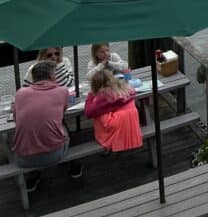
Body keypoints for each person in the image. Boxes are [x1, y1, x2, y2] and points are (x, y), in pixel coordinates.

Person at [11, 60, 81, 189]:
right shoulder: (62, 91)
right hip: (54, 155)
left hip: (23, 159)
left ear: (33, 77)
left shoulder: (20, 93)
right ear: (52, 76)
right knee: (67, 129)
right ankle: (75, 166)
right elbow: (63, 110)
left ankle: (33, 176)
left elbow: (16, 119)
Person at [84, 70, 142, 152]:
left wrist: (90, 96)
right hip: (132, 122)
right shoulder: (125, 87)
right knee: (103, 110)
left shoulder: (104, 95)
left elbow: (88, 113)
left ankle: (108, 142)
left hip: (118, 125)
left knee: (98, 113)